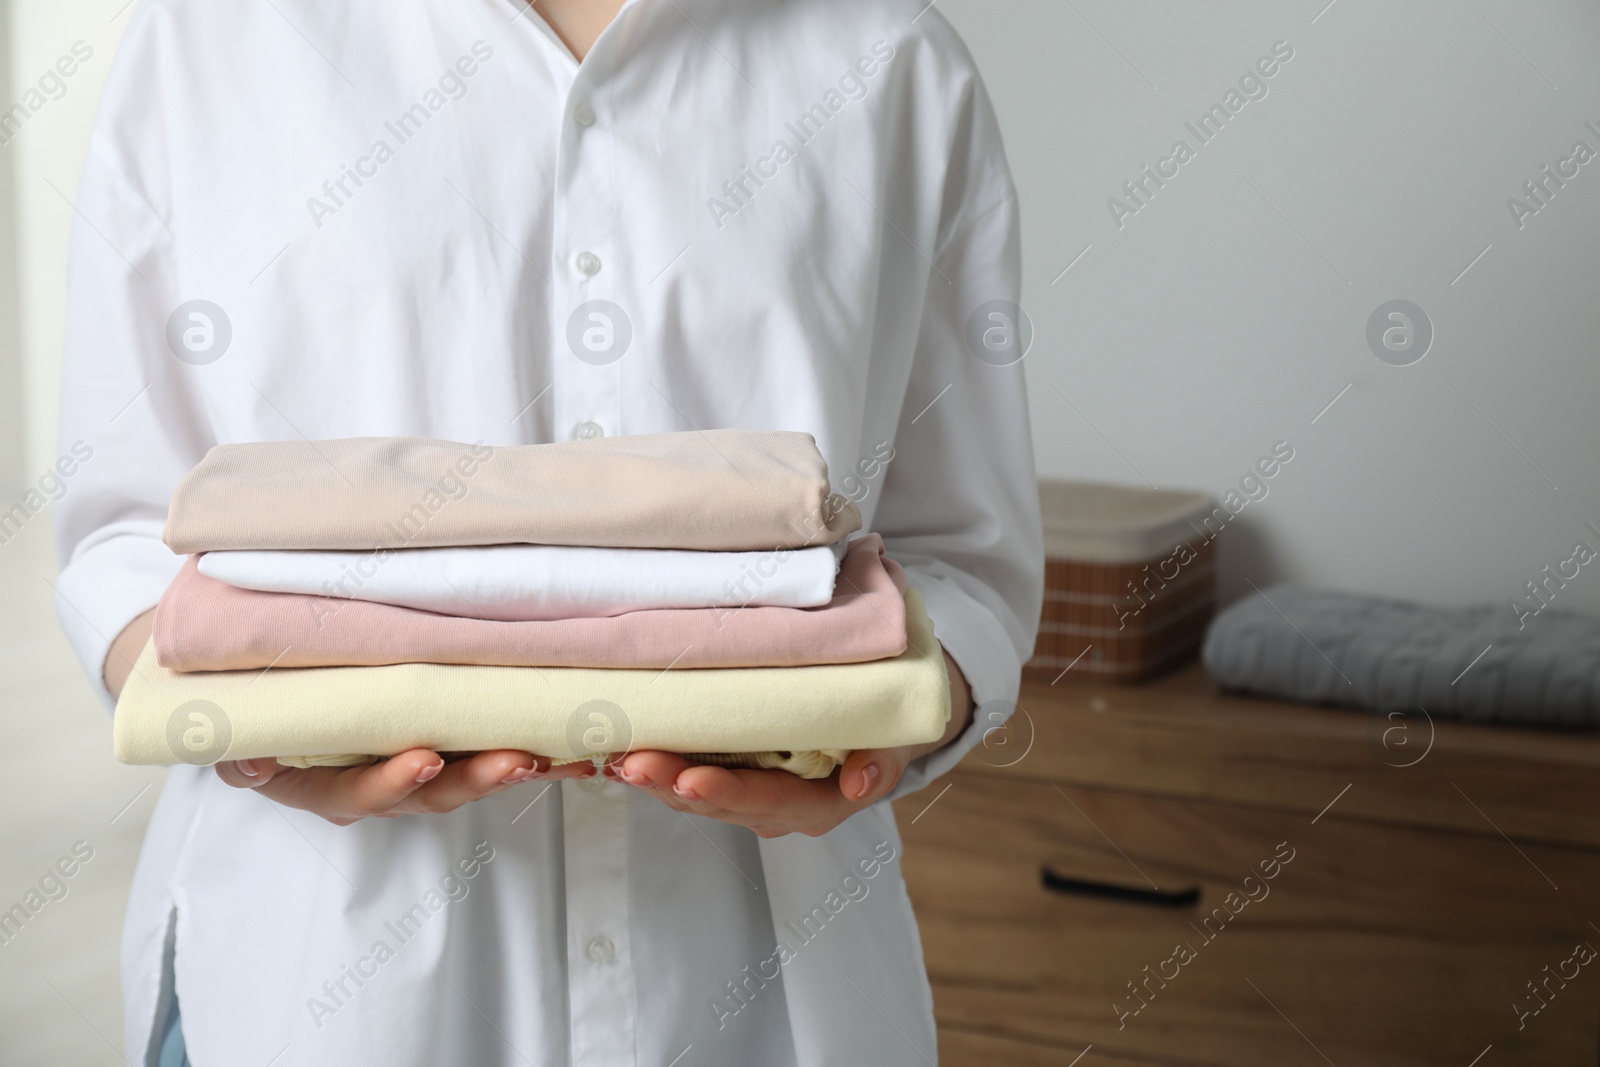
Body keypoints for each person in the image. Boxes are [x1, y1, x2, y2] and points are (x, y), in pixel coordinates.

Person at [54, 0, 1042, 1062]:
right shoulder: (214, 37)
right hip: (311, 988)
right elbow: (121, 531)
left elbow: (963, 557)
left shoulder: (889, 59)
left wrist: (892, 729)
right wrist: (246, 728)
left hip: (766, 1002)